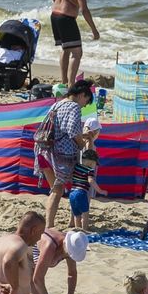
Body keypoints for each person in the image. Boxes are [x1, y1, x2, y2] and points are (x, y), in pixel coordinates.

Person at [41, 80, 93, 230]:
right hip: (60, 155)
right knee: (74, 187)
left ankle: (53, 223)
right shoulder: (74, 106)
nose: (84, 106)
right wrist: (83, 145)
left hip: (44, 151)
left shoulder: (57, 104)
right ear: (82, 95)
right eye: (86, 101)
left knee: (55, 190)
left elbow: (60, 128)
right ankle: (50, 226)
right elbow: (72, 131)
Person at [49, 0, 101, 84]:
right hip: (66, 19)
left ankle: (64, 81)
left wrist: (60, 5)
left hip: (55, 16)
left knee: (66, 49)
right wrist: (94, 30)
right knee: (77, 53)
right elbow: (84, 9)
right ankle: (71, 84)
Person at [30, 228, 87, 294]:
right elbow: (37, 279)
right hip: (24, 257)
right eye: (68, 254)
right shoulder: (49, 246)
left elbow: (72, 274)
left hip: (39, 260)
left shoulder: (73, 245)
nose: (69, 256)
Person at [69, 148, 106, 231]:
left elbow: (70, 176)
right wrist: (100, 190)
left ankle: (77, 230)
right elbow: (91, 180)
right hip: (81, 193)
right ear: (91, 162)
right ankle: (84, 230)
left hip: (72, 193)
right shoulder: (90, 170)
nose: (94, 166)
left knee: (76, 215)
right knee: (85, 214)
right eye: (95, 164)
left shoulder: (77, 166)